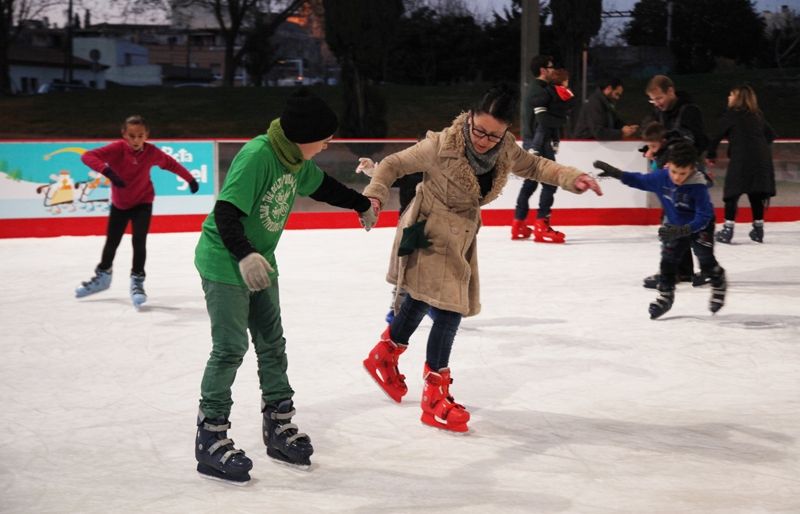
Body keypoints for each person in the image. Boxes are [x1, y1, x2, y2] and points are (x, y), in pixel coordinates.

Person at [361, 84, 602, 433]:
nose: (484, 140)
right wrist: (375, 196)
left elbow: (535, 165)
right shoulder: (441, 144)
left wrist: (571, 177)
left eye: (494, 134)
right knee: (448, 309)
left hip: (459, 234)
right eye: (479, 130)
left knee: (420, 297)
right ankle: (434, 397)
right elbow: (394, 164)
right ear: (469, 118)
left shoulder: (504, 150)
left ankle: (385, 354)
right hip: (427, 230)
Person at [192, 88, 378, 483]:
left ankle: (278, 424)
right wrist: (244, 255)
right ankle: (210, 436)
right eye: (325, 137)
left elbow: (323, 186)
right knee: (230, 349)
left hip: (261, 262)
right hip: (226, 261)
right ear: (304, 134)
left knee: (272, 342)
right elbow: (225, 212)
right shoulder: (260, 155)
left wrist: (361, 204)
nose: (329, 143)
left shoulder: (294, 159)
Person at [75, 114, 199, 308]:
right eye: (132, 135)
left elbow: (171, 164)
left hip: (143, 201)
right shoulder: (117, 149)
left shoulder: (151, 152)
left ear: (146, 134)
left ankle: (137, 283)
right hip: (120, 204)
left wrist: (189, 179)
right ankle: (103, 277)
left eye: (140, 135)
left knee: (139, 241)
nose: (136, 140)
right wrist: (107, 172)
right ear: (124, 134)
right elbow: (87, 156)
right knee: (112, 242)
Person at [593, 142, 726, 319]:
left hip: (700, 226)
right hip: (674, 225)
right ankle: (666, 295)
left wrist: (683, 231)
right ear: (668, 165)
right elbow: (639, 180)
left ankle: (718, 283)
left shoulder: (698, 187)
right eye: (674, 172)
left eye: (683, 173)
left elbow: (704, 216)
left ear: (692, 169)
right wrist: (617, 174)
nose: (677, 177)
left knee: (706, 261)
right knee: (668, 261)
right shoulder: (661, 178)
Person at [642, 75, 710, 289]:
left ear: (671, 91)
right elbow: (660, 137)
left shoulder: (688, 111)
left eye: (659, 98)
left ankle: (703, 269)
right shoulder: (660, 113)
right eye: (653, 100)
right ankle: (682, 270)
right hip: (671, 174)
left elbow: (698, 141)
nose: (657, 103)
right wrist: (652, 150)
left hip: (687, 174)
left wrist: (679, 164)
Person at [356, 157, 424, 324]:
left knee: (428, 266)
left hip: (434, 225)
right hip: (409, 225)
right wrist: (372, 170)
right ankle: (397, 308)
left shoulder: (440, 171)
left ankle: (427, 305)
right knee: (407, 266)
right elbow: (388, 177)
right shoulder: (410, 170)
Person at [707, 84, 777, 243]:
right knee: (756, 194)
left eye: (731, 95)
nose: (729, 98)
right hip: (761, 160)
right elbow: (771, 135)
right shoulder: (757, 115)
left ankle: (727, 229)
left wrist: (711, 154)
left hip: (741, 160)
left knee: (732, 193)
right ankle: (758, 230)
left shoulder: (731, 115)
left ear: (738, 98)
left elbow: (716, 136)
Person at [512, 55, 568, 243]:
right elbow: (544, 122)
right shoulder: (542, 90)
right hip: (539, 142)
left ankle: (518, 223)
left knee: (530, 182)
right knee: (551, 182)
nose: (555, 71)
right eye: (551, 67)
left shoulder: (533, 89)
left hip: (532, 141)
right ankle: (541, 225)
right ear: (543, 70)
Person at [531, 68, 579, 161]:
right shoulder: (567, 92)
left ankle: (535, 147)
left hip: (549, 114)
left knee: (541, 129)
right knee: (554, 129)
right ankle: (556, 144)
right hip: (558, 117)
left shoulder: (549, 90)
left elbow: (540, 100)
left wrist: (534, 103)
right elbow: (572, 104)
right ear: (564, 82)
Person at [573, 77, 639, 140]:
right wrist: (621, 133)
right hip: (586, 145)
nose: (617, 98)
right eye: (616, 94)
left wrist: (625, 127)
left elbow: (615, 121)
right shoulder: (595, 104)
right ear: (609, 88)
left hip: (591, 144)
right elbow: (598, 132)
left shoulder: (606, 103)